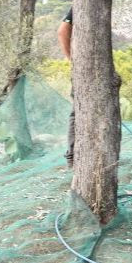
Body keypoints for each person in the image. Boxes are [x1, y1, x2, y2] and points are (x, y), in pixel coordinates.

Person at [57, 8, 74, 166]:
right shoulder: (77, 7)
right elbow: (62, 31)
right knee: (77, 113)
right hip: (81, 70)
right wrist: (71, 59)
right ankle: (72, 156)